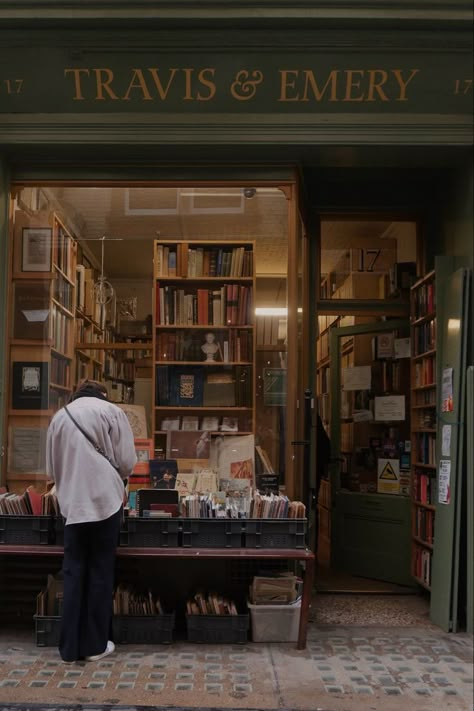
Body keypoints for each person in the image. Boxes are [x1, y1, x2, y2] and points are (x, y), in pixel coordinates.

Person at [46, 379, 136, 664]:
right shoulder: (110, 411)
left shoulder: (59, 417)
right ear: (103, 394)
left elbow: (51, 468)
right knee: (100, 571)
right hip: (104, 500)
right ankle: (95, 645)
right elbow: (127, 461)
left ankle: (69, 648)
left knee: (73, 573)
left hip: (73, 504)